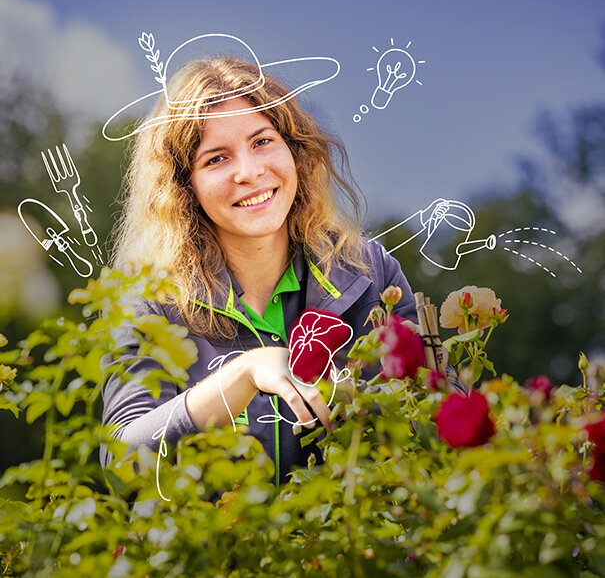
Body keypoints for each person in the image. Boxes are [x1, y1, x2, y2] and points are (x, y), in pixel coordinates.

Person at [101, 55, 418, 485]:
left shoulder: (369, 272)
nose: (249, 172)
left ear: (296, 150)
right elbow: (124, 467)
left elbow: (435, 421)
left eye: (263, 141)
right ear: (183, 186)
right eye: (216, 159)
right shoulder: (147, 302)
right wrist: (241, 376)